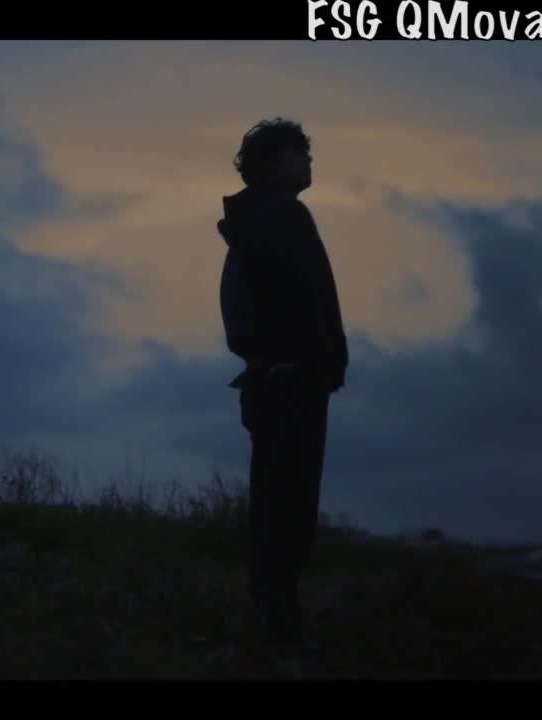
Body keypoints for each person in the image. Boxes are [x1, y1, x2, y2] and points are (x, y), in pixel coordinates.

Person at [216, 118, 348, 650]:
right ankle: (279, 628)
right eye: (299, 154)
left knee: (280, 504)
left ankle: (277, 618)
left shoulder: (259, 220)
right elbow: (295, 302)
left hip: (280, 378)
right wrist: (309, 361)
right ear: (272, 163)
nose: (309, 162)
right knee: (288, 508)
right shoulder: (279, 217)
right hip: (289, 380)